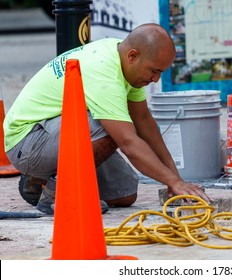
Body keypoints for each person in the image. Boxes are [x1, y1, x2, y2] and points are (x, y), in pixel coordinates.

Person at [3, 23, 210, 215]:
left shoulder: (126, 64)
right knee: (114, 126)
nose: (156, 79)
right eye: (154, 71)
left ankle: (39, 178)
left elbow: (144, 122)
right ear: (133, 56)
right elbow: (128, 142)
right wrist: (171, 180)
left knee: (124, 194)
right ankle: (57, 191)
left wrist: (176, 181)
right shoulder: (105, 73)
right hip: (27, 142)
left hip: (53, 135)